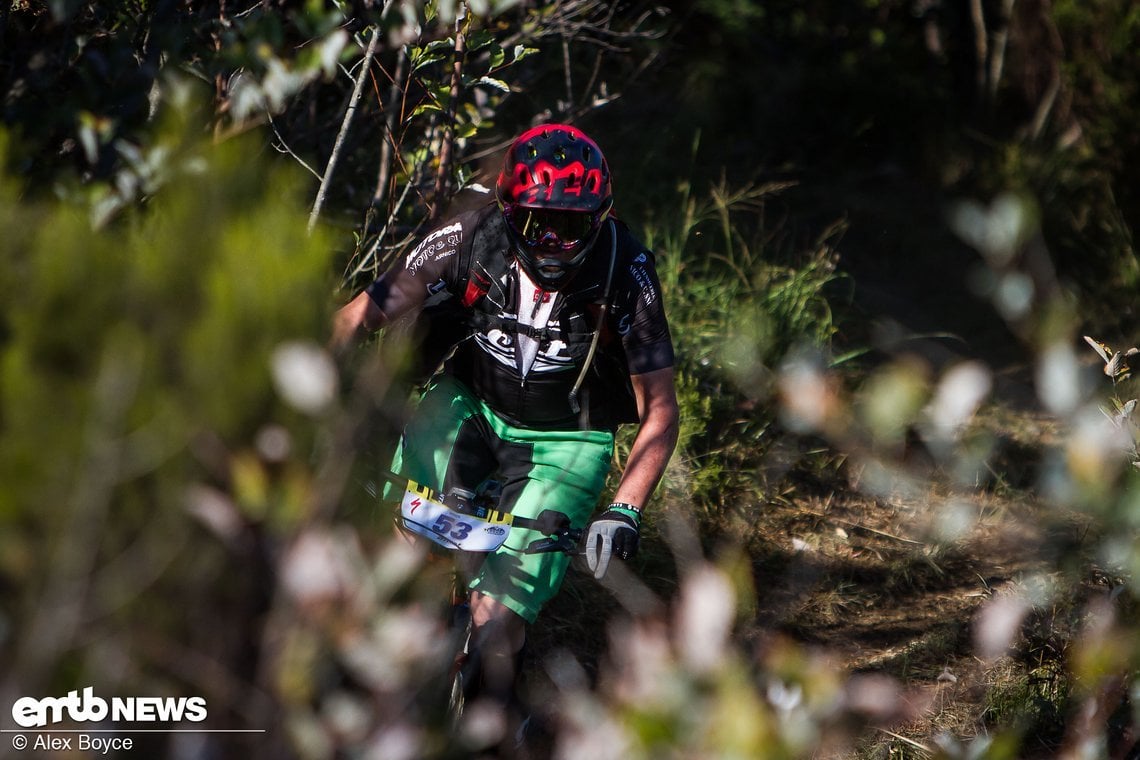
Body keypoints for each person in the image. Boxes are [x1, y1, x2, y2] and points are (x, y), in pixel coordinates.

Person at [331, 123, 679, 729]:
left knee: (498, 620)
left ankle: (492, 724)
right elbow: (359, 315)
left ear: (602, 219)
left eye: (572, 226)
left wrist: (624, 508)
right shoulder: (468, 232)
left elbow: (661, 408)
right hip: (467, 400)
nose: (553, 242)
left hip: (567, 435)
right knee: (402, 563)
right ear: (507, 208)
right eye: (537, 222)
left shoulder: (627, 270)